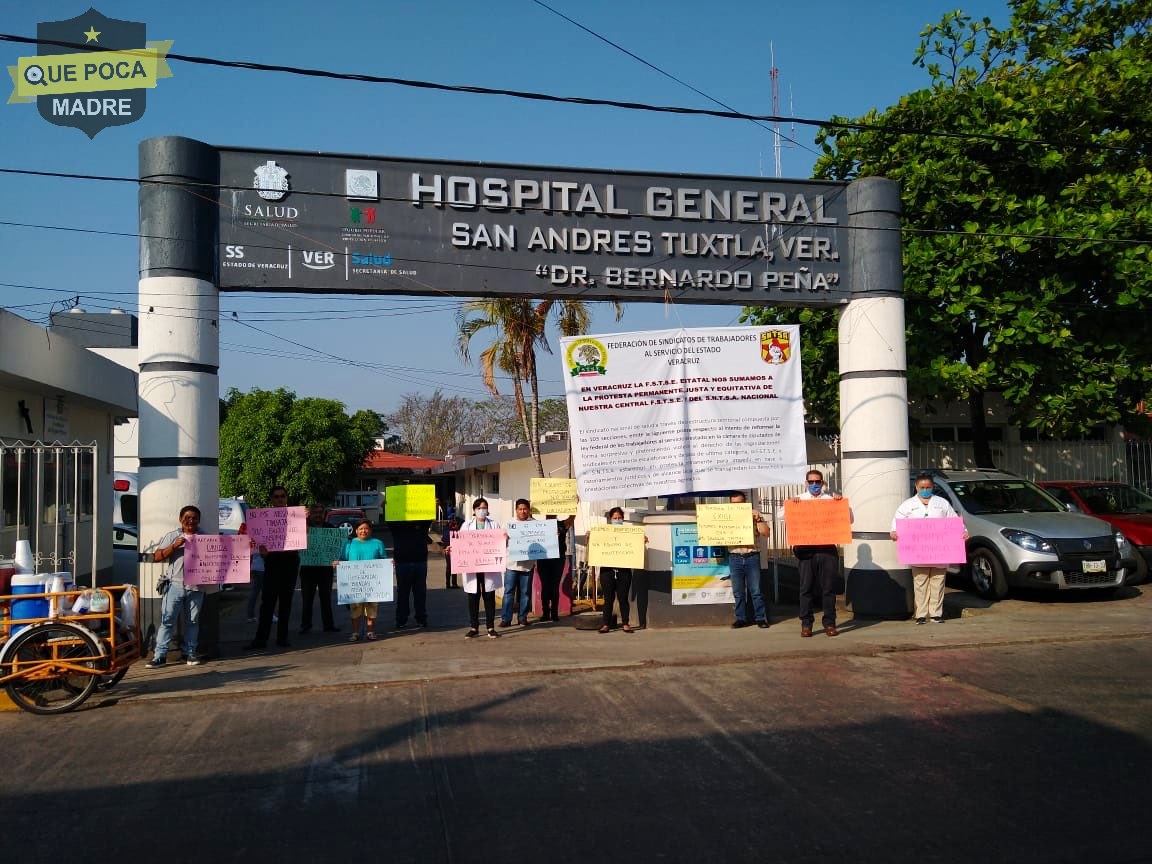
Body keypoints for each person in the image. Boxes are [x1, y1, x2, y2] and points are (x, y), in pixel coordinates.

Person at [891, 472, 966, 625]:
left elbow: (953, 521)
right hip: (919, 553)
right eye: (922, 487)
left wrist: (962, 532)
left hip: (940, 551)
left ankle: (936, 614)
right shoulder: (907, 505)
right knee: (920, 582)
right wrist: (894, 532)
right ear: (916, 487)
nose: (925, 489)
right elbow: (897, 522)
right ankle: (921, 614)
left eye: (928, 487)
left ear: (933, 487)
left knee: (938, 582)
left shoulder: (942, 503)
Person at [145, 505, 206, 668]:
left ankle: (190, 653)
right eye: (187, 517)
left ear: (199, 520)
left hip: (197, 587)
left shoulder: (205, 537)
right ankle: (160, 655)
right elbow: (156, 556)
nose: (191, 521)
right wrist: (174, 546)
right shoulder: (173, 536)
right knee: (167, 621)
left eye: (194, 518)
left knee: (193, 622)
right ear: (180, 519)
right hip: (175, 586)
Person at [245, 486, 300, 651]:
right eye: (276, 497)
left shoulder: (295, 517)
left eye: (283, 496)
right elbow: (258, 546)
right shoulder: (263, 518)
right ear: (271, 499)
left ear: (286, 498)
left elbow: (302, 540)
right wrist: (263, 553)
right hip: (272, 565)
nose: (280, 499)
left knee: (286, 603)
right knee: (267, 604)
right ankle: (261, 639)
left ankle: (282, 638)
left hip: (290, 564)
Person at [794, 470, 844, 638]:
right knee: (805, 588)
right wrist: (793, 505)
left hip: (827, 549)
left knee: (828, 589)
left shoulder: (830, 500)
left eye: (817, 482)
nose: (814, 485)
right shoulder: (799, 499)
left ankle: (830, 623)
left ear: (823, 483)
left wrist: (840, 502)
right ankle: (806, 624)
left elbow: (848, 518)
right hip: (807, 551)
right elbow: (781, 516)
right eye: (811, 482)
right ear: (806, 483)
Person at [453, 497, 501, 639]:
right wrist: (452, 548)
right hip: (472, 567)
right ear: (474, 510)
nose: (482, 511)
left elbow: (500, 545)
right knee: (473, 597)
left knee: (489, 597)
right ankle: (474, 627)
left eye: (484, 508)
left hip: (488, 566)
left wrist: (505, 538)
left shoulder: (494, 525)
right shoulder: (466, 526)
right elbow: (460, 544)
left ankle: (491, 628)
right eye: (479, 508)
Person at [337, 519, 388, 641]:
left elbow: (384, 560)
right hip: (354, 583)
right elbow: (343, 560)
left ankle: (370, 631)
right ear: (356, 531)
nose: (363, 531)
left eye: (366, 528)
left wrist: (390, 563)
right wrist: (337, 563)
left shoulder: (378, 543)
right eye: (361, 529)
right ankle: (355, 632)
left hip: (373, 583)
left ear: (370, 530)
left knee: (371, 608)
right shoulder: (348, 544)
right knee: (355, 608)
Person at [725, 492, 771, 630]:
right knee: (738, 592)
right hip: (734, 557)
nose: (736, 506)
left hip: (751, 556)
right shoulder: (726, 516)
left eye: (740, 503)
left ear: (745, 503)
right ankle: (741, 619)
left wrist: (758, 519)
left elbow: (766, 533)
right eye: (733, 504)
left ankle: (761, 618)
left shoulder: (754, 514)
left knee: (756, 590)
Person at [298, 504, 340, 635]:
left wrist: (335, 559)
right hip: (307, 569)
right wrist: (302, 519)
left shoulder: (330, 528)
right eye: (315, 512)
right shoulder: (303, 527)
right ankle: (305, 625)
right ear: (310, 514)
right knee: (307, 599)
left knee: (326, 598)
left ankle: (328, 625)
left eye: (320, 512)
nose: (318, 514)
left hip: (325, 570)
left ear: (324, 514)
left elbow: (335, 548)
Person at [389, 516, 432, 629]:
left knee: (420, 593)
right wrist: (385, 507)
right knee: (403, 593)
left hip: (420, 562)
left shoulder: (422, 523)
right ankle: (401, 619)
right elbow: (389, 518)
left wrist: (434, 505)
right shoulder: (396, 523)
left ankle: (421, 618)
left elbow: (429, 518)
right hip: (402, 563)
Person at [598, 507, 636, 633]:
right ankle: (606, 624)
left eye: (619, 518)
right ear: (610, 519)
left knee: (623, 597)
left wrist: (641, 540)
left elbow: (635, 544)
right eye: (615, 518)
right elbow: (596, 545)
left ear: (623, 519)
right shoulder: (603, 533)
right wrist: (590, 537)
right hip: (607, 571)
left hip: (623, 570)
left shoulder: (629, 533)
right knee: (608, 598)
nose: (617, 520)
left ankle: (625, 623)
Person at [500, 498, 535, 628]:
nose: (522, 511)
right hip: (511, 565)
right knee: (509, 592)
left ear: (529, 510)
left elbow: (543, 540)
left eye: (525, 509)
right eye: (520, 509)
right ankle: (506, 618)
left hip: (527, 565)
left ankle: (522, 617)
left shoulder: (535, 524)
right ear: (516, 510)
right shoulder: (508, 524)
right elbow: (499, 542)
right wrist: (504, 538)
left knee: (525, 593)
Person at [536, 514, 572, 622]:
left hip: (558, 558)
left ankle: (554, 613)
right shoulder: (539, 525)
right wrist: (531, 504)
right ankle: (545, 613)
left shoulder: (562, 524)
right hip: (543, 559)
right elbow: (528, 521)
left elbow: (571, 518)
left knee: (555, 586)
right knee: (545, 586)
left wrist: (574, 505)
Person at [241, 522, 265, 623]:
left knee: (255, 592)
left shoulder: (252, 534)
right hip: (263, 568)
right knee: (267, 593)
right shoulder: (263, 535)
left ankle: (250, 615)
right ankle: (268, 614)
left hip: (255, 567)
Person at [440, 515, 462, 588]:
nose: (453, 523)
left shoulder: (457, 529)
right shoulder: (447, 529)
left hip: (456, 550)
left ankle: (454, 583)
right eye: (452, 521)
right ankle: (448, 584)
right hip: (448, 550)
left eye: (455, 522)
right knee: (449, 567)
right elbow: (443, 539)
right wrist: (446, 547)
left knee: (454, 567)